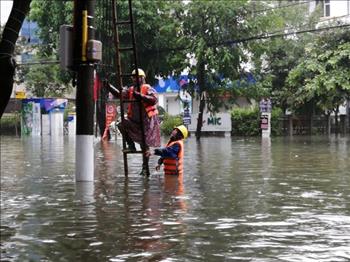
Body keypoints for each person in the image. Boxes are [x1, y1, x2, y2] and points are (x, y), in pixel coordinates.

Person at [106, 68, 161, 176]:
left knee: (144, 146)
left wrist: (140, 96)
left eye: (137, 77)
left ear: (142, 78)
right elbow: (120, 94)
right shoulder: (131, 90)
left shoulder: (147, 88)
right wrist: (109, 87)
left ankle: (145, 168)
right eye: (133, 77)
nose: (135, 79)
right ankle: (130, 145)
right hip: (133, 120)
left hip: (146, 122)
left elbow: (154, 99)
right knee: (121, 123)